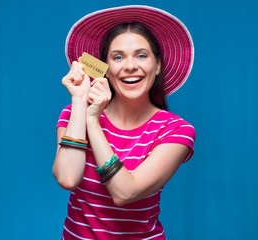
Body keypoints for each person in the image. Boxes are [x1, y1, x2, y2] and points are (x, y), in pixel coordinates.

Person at [53, 5, 196, 240]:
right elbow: (68, 178)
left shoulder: (176, 130)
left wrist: (93, 122)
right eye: (118, 57)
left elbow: (124, 192)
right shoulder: (73, 113)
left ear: (158, 65)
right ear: (105, 68)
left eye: (141, 55)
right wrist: (80, 102)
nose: (130, 66)